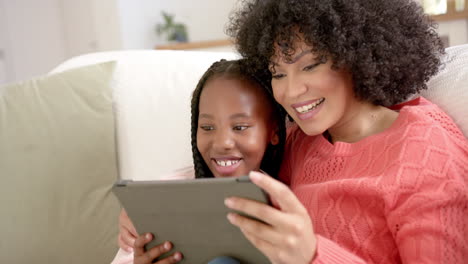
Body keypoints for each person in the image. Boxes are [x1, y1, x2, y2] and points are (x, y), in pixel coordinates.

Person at [218, 0, 468, 263]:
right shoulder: (299, 141)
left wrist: (313, 255)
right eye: (278, 74)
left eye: (310, 66)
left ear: (358, 55)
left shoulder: (427, 153)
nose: (290, 92)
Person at [111, 58, 287, 264]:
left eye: (240, 127)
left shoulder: (285, 202)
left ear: (273, 131)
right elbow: (127, 252)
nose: (222, 143)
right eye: (207, 127)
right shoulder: (164, 195)